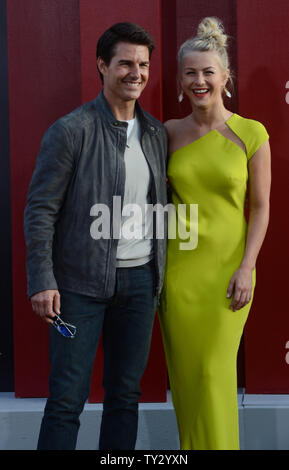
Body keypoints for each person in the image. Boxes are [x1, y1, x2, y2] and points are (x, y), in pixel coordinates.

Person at [24, 22, 168, 450]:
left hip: (140, 284)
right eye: (125, 63)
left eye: (143, 64)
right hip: (78, 287)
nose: (136, 73)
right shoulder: (71, 130)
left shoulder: (157, 134)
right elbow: (40, 209)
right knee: (67, 400)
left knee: (125, 397)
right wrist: (42, 279)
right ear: (103, 66)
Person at [159, 17, 271, 450]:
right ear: (180, 80)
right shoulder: (166, 133)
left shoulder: (251, 133)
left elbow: (260, 208)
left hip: (230, 274)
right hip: (179, 275)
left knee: (213, 373)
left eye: (208, 72)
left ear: (226, 77)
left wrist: (247, 267)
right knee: (188, 381)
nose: (199, 80)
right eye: (190, 72)